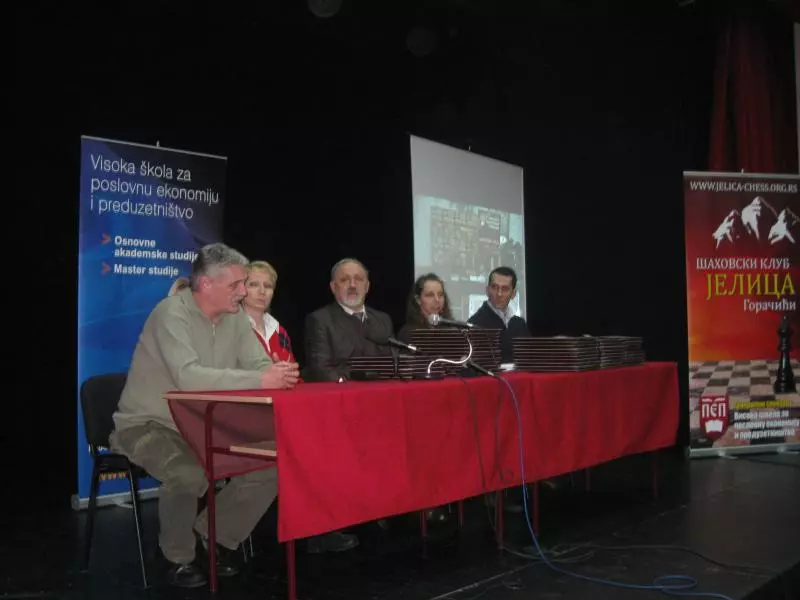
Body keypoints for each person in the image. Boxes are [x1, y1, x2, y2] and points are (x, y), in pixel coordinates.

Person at [109, 243, 300, 588]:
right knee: (188, 472)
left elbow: (258, 363)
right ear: (206, 284)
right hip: (148, 425)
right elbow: (188, 377)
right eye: (236, 284)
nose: (244, 292)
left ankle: (212, 535)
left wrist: (277, 372)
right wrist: (260, 379)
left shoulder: (235, 318)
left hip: (206, 423)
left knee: (274, 460)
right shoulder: (170, 314)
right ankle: (176, 557)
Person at [304, 258, 394, 383]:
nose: (352, 285)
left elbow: (394, 363)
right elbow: (320, 369)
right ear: (333, 287)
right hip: (343, 391)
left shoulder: (383, 319)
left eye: (358, 279)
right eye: (344, 280)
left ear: (367, 286)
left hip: (383, 390)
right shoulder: (320, 320)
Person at [468, 266, 531, 363]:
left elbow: (529, 359)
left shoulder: (520, 323)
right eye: (494, 287)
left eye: (505, 289)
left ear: (513, 294)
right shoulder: (475, 324)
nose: (499, 293)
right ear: (487, 290)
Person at [241, 261, 296, 362]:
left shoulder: (280, 331)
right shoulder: (231, 328)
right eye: (254, 285)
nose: (262, 291)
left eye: (267, 286)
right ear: (241, 289)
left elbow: (292, 368)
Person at [397, 273, 452, 344]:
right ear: (418, 299)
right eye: (430, 295)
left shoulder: (451, 329)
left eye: (440, 294)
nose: (437, 300)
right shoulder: (408, 333)